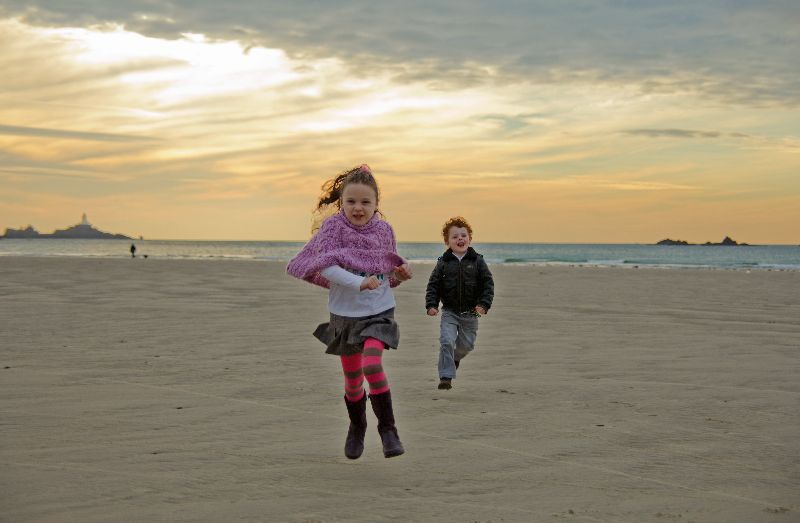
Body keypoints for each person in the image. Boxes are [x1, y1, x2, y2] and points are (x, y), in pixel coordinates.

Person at [287, 164, 412, 459]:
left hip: (379, 311)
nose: (358, 208)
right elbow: (326, 267)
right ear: (341, 203)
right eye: (351, 201)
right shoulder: (333, 228)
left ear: (376, 204)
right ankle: (357, 426)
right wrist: (359, 282)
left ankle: (388, 430)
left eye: (366, 202)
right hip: (345, 315)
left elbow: (386, 271)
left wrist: (399, 275)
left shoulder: (384, 230)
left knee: (372, 365)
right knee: (353, 380)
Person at [425, 216, 494, 390]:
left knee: (466, 346)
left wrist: (484, 305)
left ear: (470, 238)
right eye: (455, 236)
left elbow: (488, 284)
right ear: (447, 241)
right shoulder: (443, 262)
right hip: (449, 311)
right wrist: (432, 305)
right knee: (446, 341)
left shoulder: (478, 261)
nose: (460, 239)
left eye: (463, 235)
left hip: (472, 312)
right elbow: (433, 285)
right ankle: (445, 377)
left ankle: (454, 359)